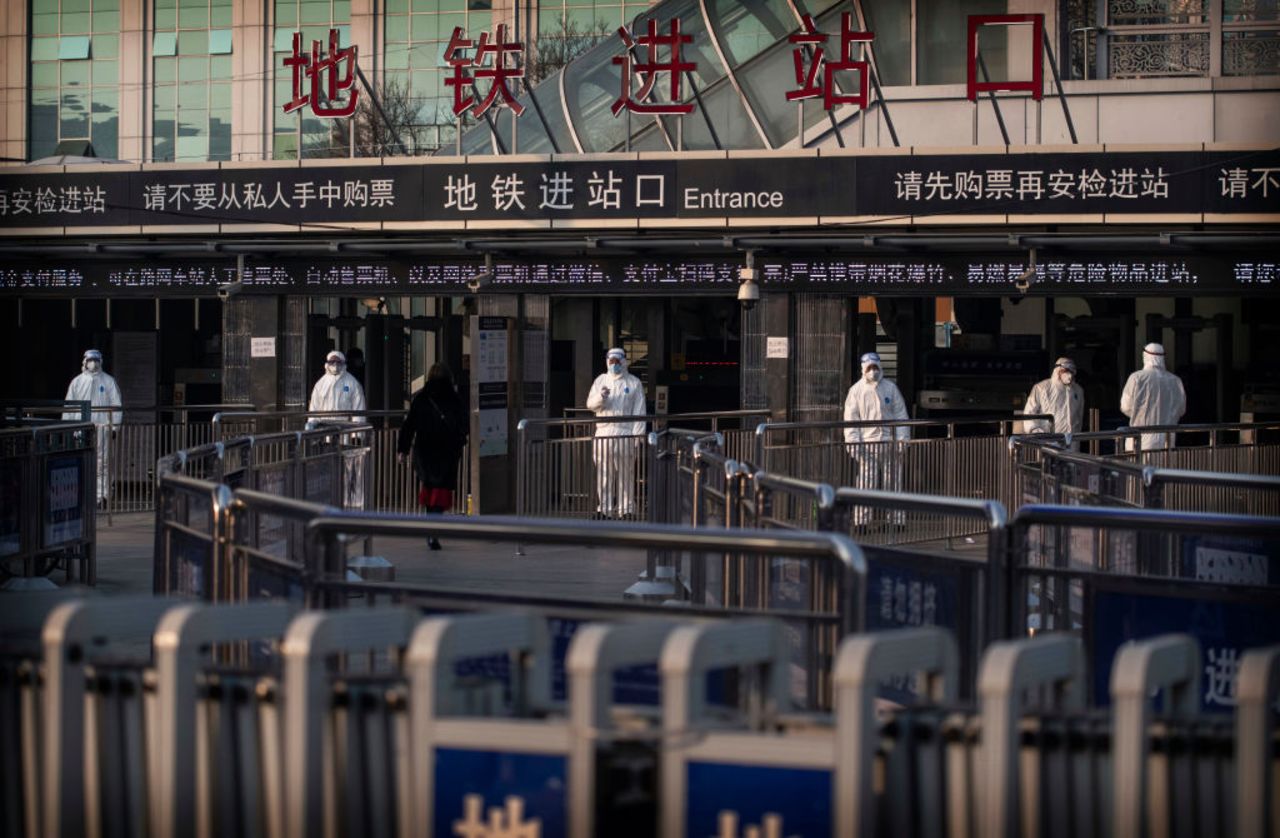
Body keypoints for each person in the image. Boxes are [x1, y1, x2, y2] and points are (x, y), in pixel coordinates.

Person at [398, 364, 468, 550]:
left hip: (425, 451)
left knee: (429, 488)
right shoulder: (455, 399)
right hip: (447, 452)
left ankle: (431, 529)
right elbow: (464, 424)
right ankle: (433, 532)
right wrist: (460, 441)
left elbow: (409, 425)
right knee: (440, 491)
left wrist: (402, 449)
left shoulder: (421, 398)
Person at [843, 352, 910, 525]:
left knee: (893, 484)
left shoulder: (890, 388)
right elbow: (851, 421)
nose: (873, 371)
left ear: (880, 367)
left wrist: (902, 441)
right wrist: (854, 446)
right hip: (867, 446)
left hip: (890, 444)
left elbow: (901, 415)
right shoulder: (856, 391)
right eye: (869, 368)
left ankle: (896, 521)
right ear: (863, 369)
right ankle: (861, 522)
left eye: (875, 367)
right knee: (866, 485)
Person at [586, 347, 646, 519]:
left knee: (626, 474)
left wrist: (637, 437)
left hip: (625, 433)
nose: (614, 365)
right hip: (603, 432)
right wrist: (601, 397)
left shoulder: (634, 383)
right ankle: (604, 509)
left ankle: (626, 509)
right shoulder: (601, 380)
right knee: (604, 474)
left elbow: (639, 412)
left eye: (617, 361)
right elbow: (590, 404)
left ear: (624, 361)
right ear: (607, 361)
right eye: (611, 361)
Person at [63, 349, 122, 505]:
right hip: (80, 428)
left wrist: (115, 427)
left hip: (103, 428)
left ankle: (101, 496)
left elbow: (116, 405)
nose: (93, 363)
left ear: (101, 361)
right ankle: (81, 494)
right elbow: (69, 406)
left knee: (102, 463)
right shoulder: (77, 382)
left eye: (96, 360)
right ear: (85, 361)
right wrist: (66, 427)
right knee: (80, 460)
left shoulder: (109, 381)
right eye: (90, 360)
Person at [1121, 342, 1186, 451]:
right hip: (1168, 438)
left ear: (1145, 356)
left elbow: (1126, 407)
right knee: (1164, 467)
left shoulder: (1136, 378)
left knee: (1139, 467)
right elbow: (1181, 410)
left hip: (1141, 437)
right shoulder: (1175, 381)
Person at [1022, 357, 1084, 437]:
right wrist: (1037, 433)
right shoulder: (1042, 388)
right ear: (1057, 371)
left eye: (1071, 372)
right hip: (1048, 441)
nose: (1069, 375)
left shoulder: (1078, 390)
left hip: (1072, 441)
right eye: (1065, 371)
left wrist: (1077, 436)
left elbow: (1079, 416)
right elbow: (1029, 413)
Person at [308, 350, 367, 423]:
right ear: (327, 363)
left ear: (343, 363)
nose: (335, 365)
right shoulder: (320, 384)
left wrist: (357, 432)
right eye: (332, 362)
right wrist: (312, 424)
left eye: (338, 362)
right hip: (325, 429)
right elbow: (314, 408)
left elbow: (359, 410)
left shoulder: (353, 383)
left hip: (346, 429)